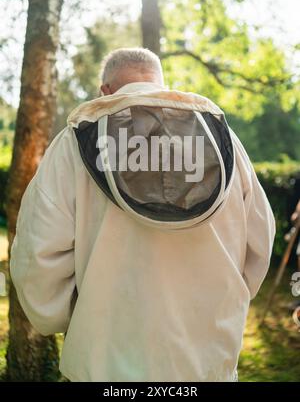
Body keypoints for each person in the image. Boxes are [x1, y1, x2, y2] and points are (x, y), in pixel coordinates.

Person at [10, 47, 275, 382]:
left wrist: (67, 319)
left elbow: (37, 254)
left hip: (106, 362)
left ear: (105, 90)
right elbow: (260, 240)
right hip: (205, 363)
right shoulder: (222, 141)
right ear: (161, 84)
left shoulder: (74, 143)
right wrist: (226, 301)